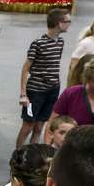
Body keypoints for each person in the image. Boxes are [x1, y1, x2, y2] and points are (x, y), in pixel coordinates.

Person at [17, 8, 70, 147]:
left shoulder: (60, 42)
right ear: (59, 23)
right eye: (67, 21)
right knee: (28, 125)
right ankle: (18, 155)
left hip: (52, 91)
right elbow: (26, 68)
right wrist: (23, 94)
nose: (69, 24)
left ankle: (33, 153)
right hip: (35, 92)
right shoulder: (38, 44)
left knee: (39, 127)